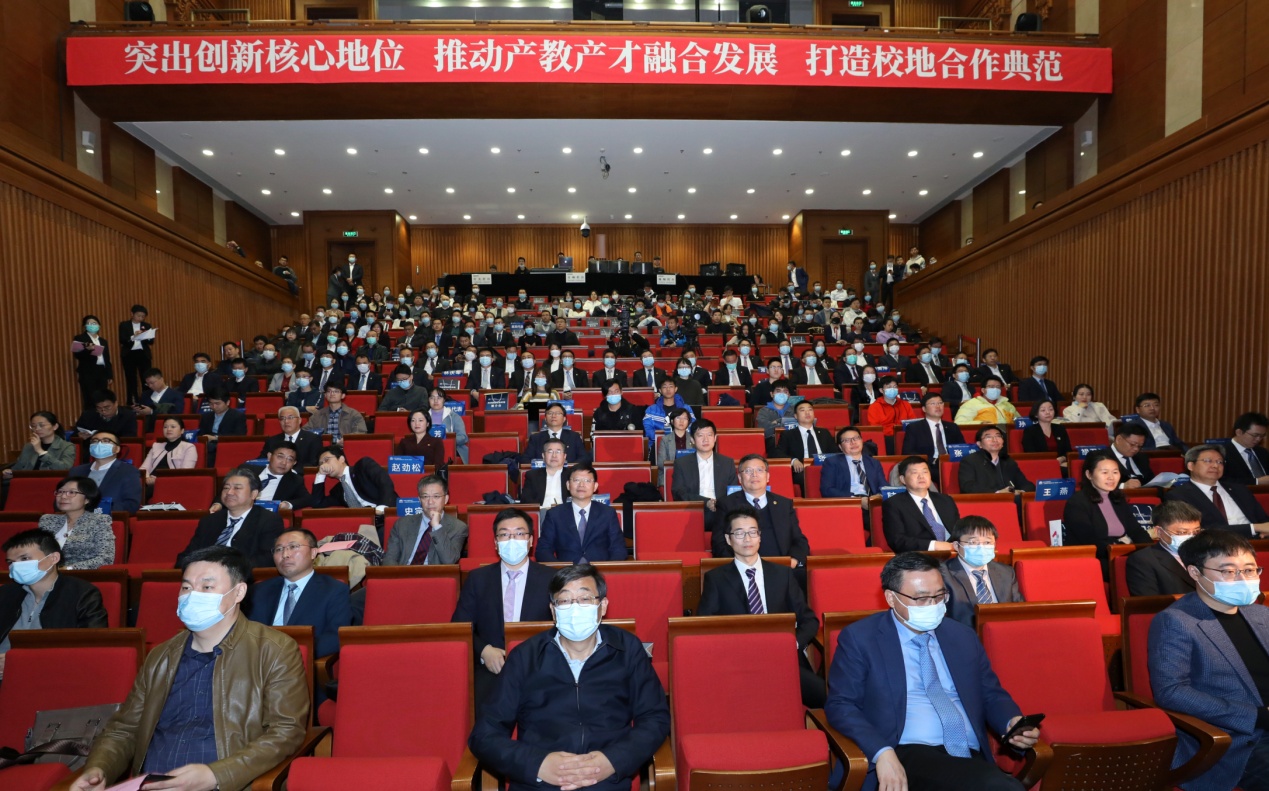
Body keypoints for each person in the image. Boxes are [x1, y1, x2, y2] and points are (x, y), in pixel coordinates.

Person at [71, 545, 309, 791]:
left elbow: (286, 731)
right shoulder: (161, 656)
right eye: (186, 587)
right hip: (151, 784)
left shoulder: (274, 650)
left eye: (206, 587)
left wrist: (216, 775)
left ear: (238, 592)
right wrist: (99, 769)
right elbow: (123, 729)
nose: (192, 596)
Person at [826, 552, 1039, 791]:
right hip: (907, 753)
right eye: (921, 598)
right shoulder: (862, 638)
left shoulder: (962, 636)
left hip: (968, 756)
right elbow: (841, 705)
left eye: (939, 596)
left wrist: (1011, 722)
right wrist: (881, 752)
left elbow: (990, 693)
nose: (933, 605)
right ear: (891, 598)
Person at [468, 563, 670, 791]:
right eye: (564, 601)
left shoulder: (627, 650)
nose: (575, 608)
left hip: (605, 782)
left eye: (585, 599)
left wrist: (613, 760)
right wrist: (537, 765)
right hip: (538, 784)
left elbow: (655, 718)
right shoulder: (525, 656)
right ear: (553, 610)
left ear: (602, 606)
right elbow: (484, 735)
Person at [1148, 531, 1269, 791]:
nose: (1243, 579)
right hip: (1237, 742)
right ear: (1195, 572)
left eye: (1250, 570)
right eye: (1228, 571)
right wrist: (1257, 717)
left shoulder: (1261, 614)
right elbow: (1171, 691)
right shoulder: (1176, 621)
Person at [699, 507, 823, 707]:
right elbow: (704, 626)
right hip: (739, 661)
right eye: (739, 533)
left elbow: (809, 620)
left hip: (782, 655)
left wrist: (793, 643)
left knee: (828, 699)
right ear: (728, 539)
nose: (747, 539)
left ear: (760, 537)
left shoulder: (782, 575)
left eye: (752, 532)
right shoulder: (716, 579)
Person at [452, 507, 555, 705]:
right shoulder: (478, 579)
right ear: (496, 542)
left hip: (539, 667)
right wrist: (484, 651)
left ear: (531, 541)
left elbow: (559, 627)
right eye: (504, 535)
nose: (512, 540)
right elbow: (459, 626)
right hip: (491, 668)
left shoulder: (552, 579)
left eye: (519, 534)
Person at [1, 529, 108, 677]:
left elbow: (92, 648)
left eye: (24, 559)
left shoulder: (82, 594)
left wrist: (19, 661)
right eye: (11, 562)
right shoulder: (5, 594)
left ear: (53, 558)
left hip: (50, 674)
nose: (16, 566)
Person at [247, 528, 351, 659]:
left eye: (293, 547)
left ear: (313, 553)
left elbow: (335, 636)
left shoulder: (334, 590)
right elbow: (248, 633)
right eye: (279, 549)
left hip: (301, 661)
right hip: (259, 661)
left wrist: (294, 654)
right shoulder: (259, 590)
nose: (285, 554)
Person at [1062, 449, 1151, 577]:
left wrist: (1148, 549)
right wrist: (1123, 550)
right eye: (1104, 472)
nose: (1111, 477)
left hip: (1119, 554)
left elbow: (1136, 530)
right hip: (1094, 559)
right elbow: (1090, 541)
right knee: (1141, 571)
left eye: (1115, 472)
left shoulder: (1118, 499)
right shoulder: (1077, 503)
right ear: (1089, 475)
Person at [715, 456, 810, 571]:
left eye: (759, 470)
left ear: (767, 476)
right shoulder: (727, 504)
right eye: (748, 471)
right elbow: (719, 543)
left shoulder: (784, 504)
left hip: (783, 569)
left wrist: (792, 562)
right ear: (740, 478)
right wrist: (740, 567)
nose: (754, 475)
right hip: (744, 570)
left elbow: (799, 540)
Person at [180, 467, 285, 568]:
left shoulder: (268, 521)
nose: (229, 492)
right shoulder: (209, 521)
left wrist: (227, 569)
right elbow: (187, 556)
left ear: (254, 494)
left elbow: (267, 558)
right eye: (226, 488)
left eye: (237, 488)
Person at [1164, 444, 1269, 536]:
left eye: (1220, 462)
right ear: (1191, 466)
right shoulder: (1178, 496)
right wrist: (1254, 528)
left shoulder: (1240, 489)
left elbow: (1263, 520)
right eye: (1208, 461)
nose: (1215, 465)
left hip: (1258, 541)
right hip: (1215, 546)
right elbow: (1201, 530)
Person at [940, 516, 1023, 627]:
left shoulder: (1006, 572)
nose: (981, 547)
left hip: (1004, 631)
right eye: (973, 542)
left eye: (987, 542)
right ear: (956, 546)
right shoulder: (942, 574)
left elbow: (1019, 611)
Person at [536, 464, 626, 562]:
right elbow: (543, 550)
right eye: (576, 480)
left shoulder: (607, 513)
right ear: (568, 485)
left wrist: (607, 569)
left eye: (587, 480)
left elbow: (618, 549)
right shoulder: (554, 515)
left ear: (595, 486)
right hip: (567, 570)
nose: (581, 485)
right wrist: (560, 569)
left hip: (598, 569)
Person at [383, 475, 467, 566]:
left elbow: (449, 560)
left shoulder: (458, 528)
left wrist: (436, 527)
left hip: (434, 574)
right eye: (425, 496)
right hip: (404, 572)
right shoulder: (402, 524)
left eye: (436, 496)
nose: (430, 502)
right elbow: (390, 559)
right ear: (419, 500)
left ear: (446, 499)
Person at [1125, 500, 1203, 597]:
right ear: (1159, 531)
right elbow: (1148, 602)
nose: (1191, 537)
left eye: (1196, 532)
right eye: (1182, 532)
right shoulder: (1143, 560)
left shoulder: (1208, 554)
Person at [671, 419, 737, 533]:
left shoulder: (727, 463)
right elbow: (678, 493)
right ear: (692, 440)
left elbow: (733, 492)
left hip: (720, 510)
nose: (705, 439)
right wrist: (706, 502)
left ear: (715, 438)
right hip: (694, 510)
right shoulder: (682, 464)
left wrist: (718, 504)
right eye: (700, 435)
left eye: (709, 435)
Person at [883, 457, 960, 552]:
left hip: (953, 553)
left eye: (925, 472)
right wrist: (934, 545)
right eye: (914, 473)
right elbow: (898, 541)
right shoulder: (894, 504)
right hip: (920, 556)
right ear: (903, 479)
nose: (921, 476)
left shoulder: (946, 500)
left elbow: (959, 531)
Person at [69, 431, 142, 514]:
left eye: (106, 441)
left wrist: (99, 509)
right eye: (95, 441)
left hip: (108, 519)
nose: (99, 444)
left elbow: (131, 505)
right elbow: (62, 499)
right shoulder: (76, 471)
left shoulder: (128, 471)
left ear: (117, 449)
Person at [902, 393, 965, 485]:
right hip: (929, 465)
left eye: (940, 403)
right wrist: (933, 460)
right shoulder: (914, 428)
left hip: (951, 463)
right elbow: (908, 452)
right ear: (924, 409)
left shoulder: (952, 427)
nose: (938, 406)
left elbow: (962, 448)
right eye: (933, 403)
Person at [310, 445, 398, 510]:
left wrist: (382, 508)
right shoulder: (337, 491)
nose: (324, 465)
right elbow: (317, 503)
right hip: (363, 525)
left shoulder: (363, 466)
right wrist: (320, 475)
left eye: (326, 460)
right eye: (321, 464)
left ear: (341, 459)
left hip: (386, 513)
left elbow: (385, 482)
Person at [958, 426, 1035, 494]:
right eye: (988, 437)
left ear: (1003, 442)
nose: (994, 440)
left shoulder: (1008, 461)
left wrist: (1021, 492)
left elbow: (1027, 485)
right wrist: (997, 493)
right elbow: (968, 487)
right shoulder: (970, 461)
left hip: (1011, 500)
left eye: (998, 436)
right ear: (979, 444)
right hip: (987, 502)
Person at [3, 411, 75, 480]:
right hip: (27, 482)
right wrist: (10, 472)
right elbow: (18, 469)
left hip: (51, 483)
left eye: (42, 425)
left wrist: (40, 451)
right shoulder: (29, 446)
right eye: (33, 426)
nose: (37, 429)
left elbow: (65, 469)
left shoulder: (67, 446)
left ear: (55, 426)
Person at [774, 400, 835, 481]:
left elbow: (835, 452)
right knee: (806, 477)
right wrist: (793, 460)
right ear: (796, 416)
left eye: (810, 410)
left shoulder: (824, 432)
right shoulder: (788, 434)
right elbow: (778, 453)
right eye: (802, 410)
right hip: (802, 470)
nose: (807, 413)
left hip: (824, 467)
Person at [821, 426, 886, 498]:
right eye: (847, 440)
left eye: (856, 438)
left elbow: (884, 487)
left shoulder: (874, 463)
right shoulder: (832, 462)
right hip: (849, 502)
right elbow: (827, 490)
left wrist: (877, 497)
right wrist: (855, 499)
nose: (853, 442)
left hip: (872, 500)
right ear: (840, 447)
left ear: (862, 441)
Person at [523, 402, 590, 464]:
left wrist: (570, 468)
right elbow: (525, 459)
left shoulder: (574, 437)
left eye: (558, 413)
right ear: (545, 419)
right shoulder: (535, 438)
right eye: (550, 413)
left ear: (564, 419)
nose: (553, 416)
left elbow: (584, 458)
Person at [140, 417, 199, 486]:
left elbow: (184, 473)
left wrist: (159, 480)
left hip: (172, 485)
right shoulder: (156, 446)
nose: (168, 429)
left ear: (182, 431)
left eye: (173, 427)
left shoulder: (189, 447)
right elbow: (144, 468)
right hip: (149, 483)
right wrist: (147, 478)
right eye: (165, 427)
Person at [302, 383, 368, 445]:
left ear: (343, 395)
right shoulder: (317, 415)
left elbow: (361, 432)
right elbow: (304, 431)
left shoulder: (354, 414)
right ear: (325, 395)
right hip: (322, 448)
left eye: (336, 391)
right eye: (329, 391)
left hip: (344, 447)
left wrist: (346, 439)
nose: (332, 394)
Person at [73, 314, 114, 411]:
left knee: (102, 399)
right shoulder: (80, 338)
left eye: (94, 323)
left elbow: (107, 359)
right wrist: (87, 350)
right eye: (89, 323)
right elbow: (77, 354)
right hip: (88, 373)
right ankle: (90, 418)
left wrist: (109, 375)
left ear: (99, 325)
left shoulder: (103, 341)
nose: (92, 325)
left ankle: (102, 416)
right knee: (90, 399)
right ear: (85, 326)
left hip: (102, 373)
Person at [116, 305, 154, 404]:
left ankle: (147, 402)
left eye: (143, 316)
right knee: (131, 380)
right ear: (132, 314)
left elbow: (151, 342)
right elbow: (122, 340)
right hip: (129, 354)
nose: (140, 318)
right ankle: (132, 403)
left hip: (143, 354)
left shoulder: (147, 325)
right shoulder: (124, 325)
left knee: (146, 378)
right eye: (138, 315)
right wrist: (134, 336)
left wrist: (148, 336)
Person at [1021, 399, 1071, 472]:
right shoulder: (1030, 431)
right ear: (1036, 414)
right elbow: (1031, 454)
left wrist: (1062, 459)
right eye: (1043, 410)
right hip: (1041, 466)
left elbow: (1068, 451)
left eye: (1051, 409)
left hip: (1061, 464)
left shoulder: (1060, 429)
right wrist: (1053, 463)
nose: (1048, 412)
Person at [521, 437, 572, 508]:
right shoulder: (532, 475)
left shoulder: (572, 475)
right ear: (543, 456)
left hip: (564, 512)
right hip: (541, 511)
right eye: (550, 452)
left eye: (558, 452)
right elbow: (526, 501)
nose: (554, 456)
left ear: (564, 456)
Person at [866, 376, 916, 446]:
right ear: (881, 390)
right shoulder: (874, 407)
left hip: (905, 435)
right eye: (889, 387)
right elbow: (876, 428)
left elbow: (912, 423)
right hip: (886, 438)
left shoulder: (905, 404)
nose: (893, 389)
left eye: (895, 387)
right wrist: (895, 431)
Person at [425, 387, 470, 463]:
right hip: (428, 448)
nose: (435, 401)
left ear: (444, 400)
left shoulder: (454, 416)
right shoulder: (423, 417)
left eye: (439, 398)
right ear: (428, 400)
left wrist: (447, 441)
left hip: (452, 448)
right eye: (432, 398)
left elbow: (463, 437)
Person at [954, 375, 1019, 426]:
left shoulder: (1008, 405)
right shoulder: (971, 404)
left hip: (1007, 435)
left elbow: (1019, 421)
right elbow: (959, 422)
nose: (995, 389)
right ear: (983, 390)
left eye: (998, 387)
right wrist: (980, 424)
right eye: (991, 387)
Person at [1225, 412, 1269, 486]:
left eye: (1262, 436)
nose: (1258, 439)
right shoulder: (1222, 452)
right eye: (1255, 435)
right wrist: (1256, 482)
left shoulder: (1262, 452)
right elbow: (1222, 481)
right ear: (1239, 432)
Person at [1111, 422, 1155, 487]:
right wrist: (1122, 486)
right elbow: (1097, 483)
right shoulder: (1101, 457)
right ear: (1118, 439)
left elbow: (1151, 480)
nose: (1136, 449)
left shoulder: (1141, 457)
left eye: (1140, 446)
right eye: (1132, 444)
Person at [754, 377, 796, 441]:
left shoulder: (795, 410)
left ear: (789, 395)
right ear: (772, 394)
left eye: (785, 391)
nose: (782, 394)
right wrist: (788, 424)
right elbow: (766, 431)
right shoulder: (763, 411)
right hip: (772, 443)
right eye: (778, 391)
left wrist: (777, 422)